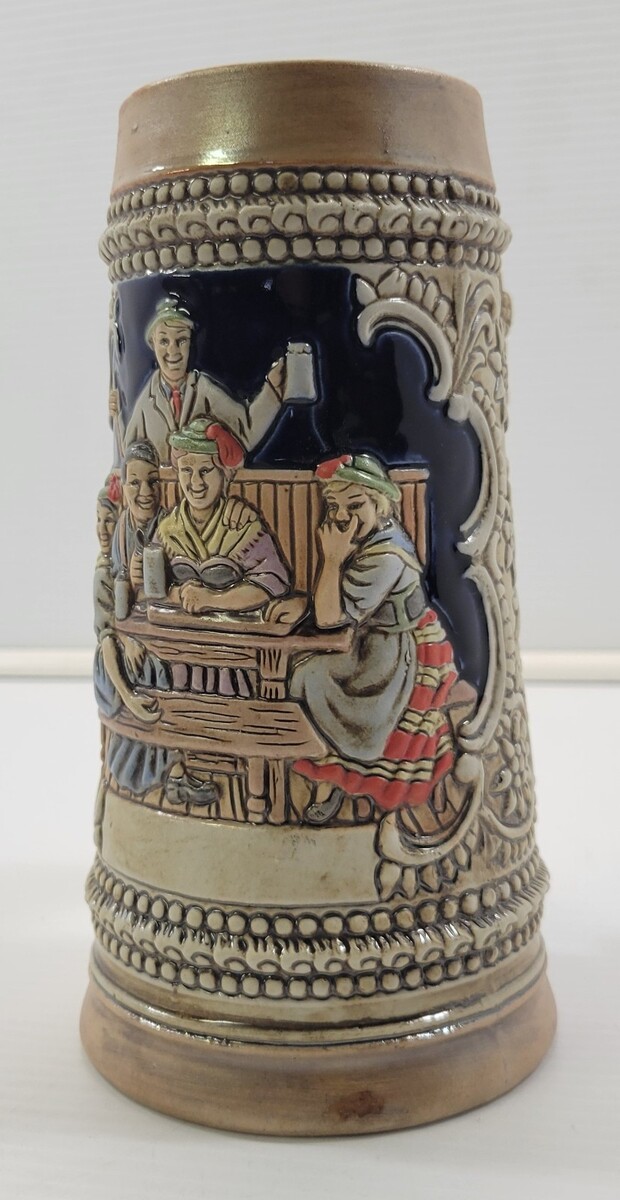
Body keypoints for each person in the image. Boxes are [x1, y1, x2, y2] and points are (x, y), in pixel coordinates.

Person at [290, 454, 464, 823]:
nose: (342, 516)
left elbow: (329, 618)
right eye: (335, 506)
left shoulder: (385, 556)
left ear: (379, 505)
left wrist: (332, 560)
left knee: (310, 677)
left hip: (396, 651)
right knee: (306, 673)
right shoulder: (373, 538)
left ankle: (336, 775)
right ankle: (331, 773)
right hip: (372, 642)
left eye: (355, 505)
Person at [112, 296, 288, 461]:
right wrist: (118, 413)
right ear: (153, 344)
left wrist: (273, 390)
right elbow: (129, 452)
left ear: (191, 343)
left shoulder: (204, 390)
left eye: (182, 340)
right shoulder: (147, 400)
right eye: (164, 341)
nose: (173, 351)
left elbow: (246, 432)